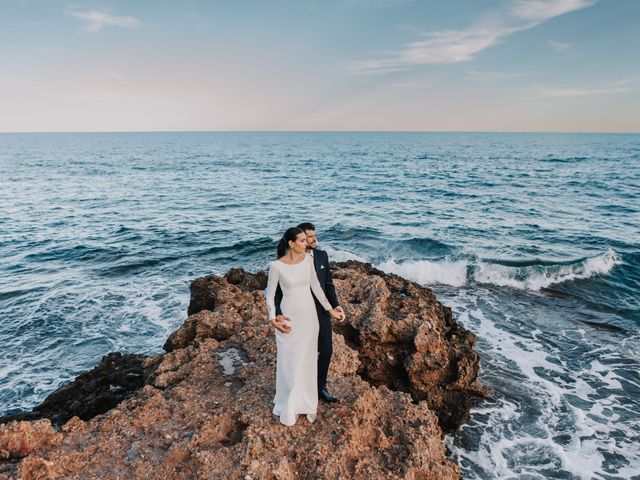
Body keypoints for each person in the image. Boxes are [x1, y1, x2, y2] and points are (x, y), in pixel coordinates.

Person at [265, 227, 343, 426]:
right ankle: (289, 403)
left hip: (310, 318)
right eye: (301, 241)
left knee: (307, 361)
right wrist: (273, 319)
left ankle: (307, 403)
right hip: (290, 318)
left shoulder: (308, 261)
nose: (306, 244)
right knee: (290, 361)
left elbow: (317, 289)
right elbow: (270, 295)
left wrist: (330, 310)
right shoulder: (276, 266)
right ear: (291, 243)